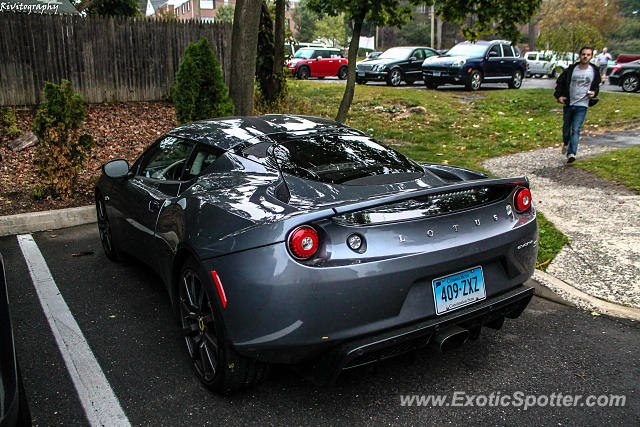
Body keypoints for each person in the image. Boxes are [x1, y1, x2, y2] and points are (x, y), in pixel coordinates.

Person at [554, 46, 601, 163]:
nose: (585, 56)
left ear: (591, 57)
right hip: (569, 103)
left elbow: (596, 86)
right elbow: (560, 82)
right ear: (580, 56)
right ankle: (566, 142)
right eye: (583, 54)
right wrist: (559, 96)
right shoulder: (571, 69)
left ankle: (572, 153)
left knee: (575, 129)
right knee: (566, 129)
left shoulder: (594, 70)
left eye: (588, 55)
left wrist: (594, 93)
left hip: (583, 104)